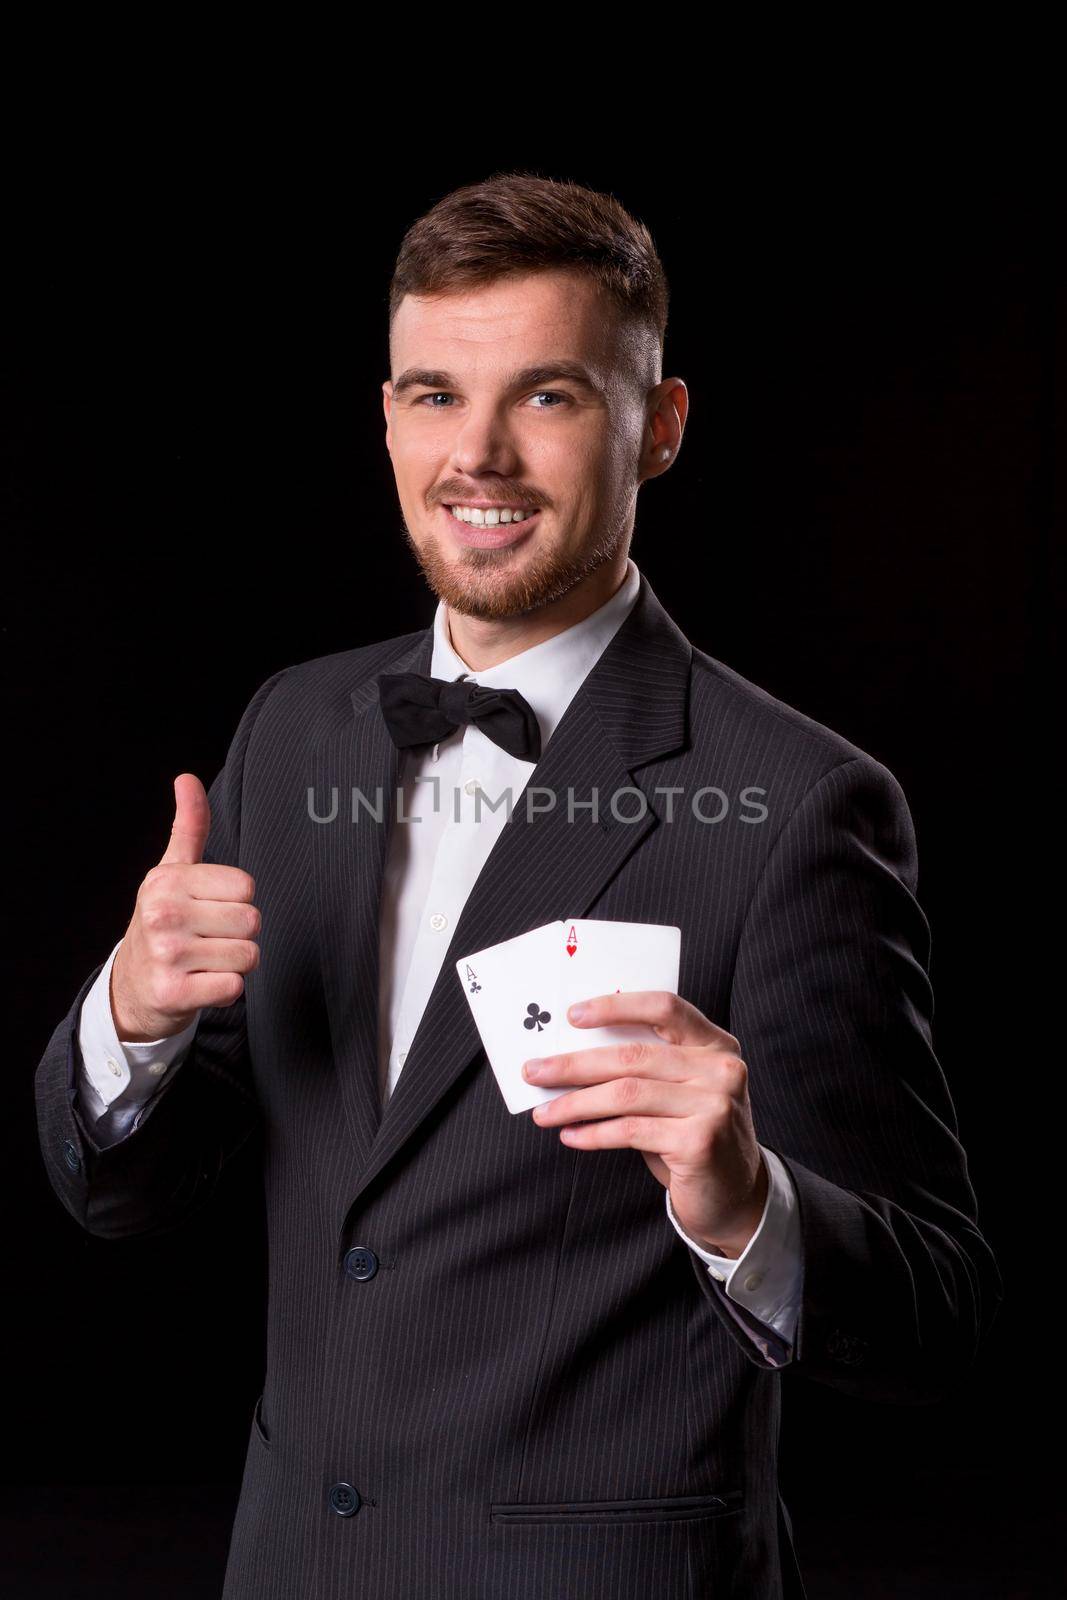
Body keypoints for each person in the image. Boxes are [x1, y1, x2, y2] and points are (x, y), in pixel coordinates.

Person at [34, 172, 1003, 1600]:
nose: (476, 455)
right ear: (385, 417)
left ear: (657, 427)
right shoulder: (290, 729)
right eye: (435, 395)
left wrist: (748, 1204)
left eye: (546, 398)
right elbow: (127, 1193)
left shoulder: (802, 804)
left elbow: (939, 1319)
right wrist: (129, 1022)